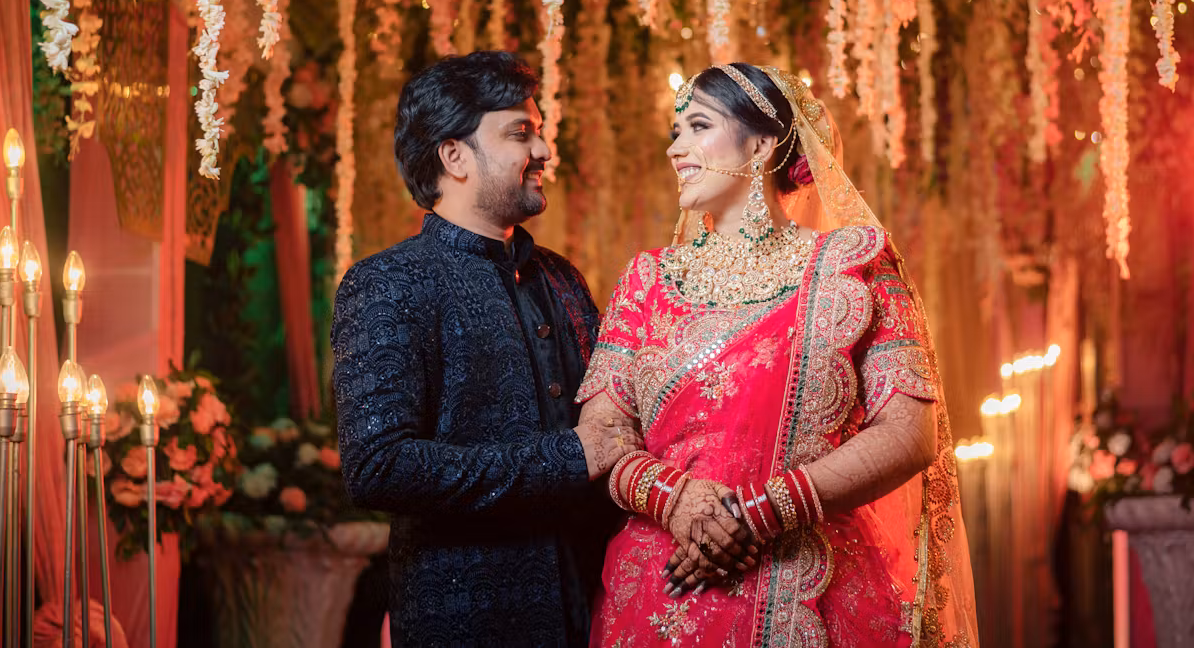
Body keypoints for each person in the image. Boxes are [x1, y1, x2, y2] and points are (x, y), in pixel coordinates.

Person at [576, 63, 978, 647]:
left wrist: (760, 514)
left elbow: (913, 433)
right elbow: (601, 435)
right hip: (664, 586)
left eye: (697, 126)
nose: (675, 148)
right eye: (674, 131)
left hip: (813, 585)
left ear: (762, 143)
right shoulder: (646, 280)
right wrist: (678, 500)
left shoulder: (856, 264)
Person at [332, 51, 640, 647]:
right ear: (454, 157)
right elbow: (378, 468)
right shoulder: (388, 284)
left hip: (597, 608)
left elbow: (618, 421)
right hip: (468, 623)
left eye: (541, 132)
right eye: (520, 133)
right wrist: (567, 458)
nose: (545, 151)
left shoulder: (561, 279)